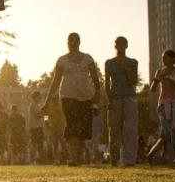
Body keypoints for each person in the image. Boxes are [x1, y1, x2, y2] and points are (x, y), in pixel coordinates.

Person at [42, 33, 101, 166]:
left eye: (75, 40)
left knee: (83, 129)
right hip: (67, 97)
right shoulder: (62, 60)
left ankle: (77, 157)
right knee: (72, 125)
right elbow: (55, 81)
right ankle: (73, 158)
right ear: (67, 43)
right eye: (70, 40)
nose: (72, 43)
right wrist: (47, 101)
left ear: (79, 42)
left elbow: (95, 77)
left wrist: (97, 93)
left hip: (85, 97)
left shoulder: (88, 58)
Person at [104, 36, 139, 166]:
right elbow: (107, 83)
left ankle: (129, 160)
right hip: (115, 98)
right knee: (114, 129)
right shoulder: (109, 63)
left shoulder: (133, 62)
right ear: (115, 46)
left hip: (129, 97)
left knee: (130, 129)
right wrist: (109, 100)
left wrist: (125, 68)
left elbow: (134, 81)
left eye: (122, 44)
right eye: (117, 44)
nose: (119, 46)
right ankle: (114, 159)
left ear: (126, 45)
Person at [150, 49, 175, 166]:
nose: (163, 59)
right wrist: (157, 79)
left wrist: (170, 80)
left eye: (166, 57)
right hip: (163, 104)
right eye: (162, 57)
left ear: (173, 59)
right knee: (165, 132)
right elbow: (152, 88)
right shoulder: (159, 71)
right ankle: (152, 153)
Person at [27, 92, 46, 165]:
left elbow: (44, 117)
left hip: (39, 127)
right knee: (34, 144)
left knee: (40, 144)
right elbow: (37, 115)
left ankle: (41, 160)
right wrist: (43, 111)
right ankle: (32, 160)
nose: (40, 97)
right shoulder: (33, 104)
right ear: (36, 97)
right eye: (39, 96)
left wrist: (46, 116)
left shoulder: (39, 105)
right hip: (35, 127)